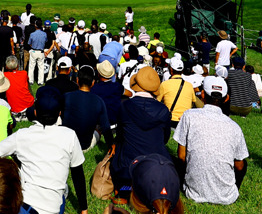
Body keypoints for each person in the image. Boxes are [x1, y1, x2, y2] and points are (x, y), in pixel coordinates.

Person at [0, 85, 91, 214]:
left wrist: (13, 165)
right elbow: (78, 176)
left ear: (36, 112)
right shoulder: (69, 136)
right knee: (64, 190)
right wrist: (84, 211)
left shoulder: (22, 135)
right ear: (59, 113)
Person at [173, 76, 248, 205]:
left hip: (193, 193)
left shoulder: (189, 116)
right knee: (243, 162)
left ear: (202, 94)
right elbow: (239, 166)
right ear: (226, 98)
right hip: (227, 197)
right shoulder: (235, 127)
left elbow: (181, 156)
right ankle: (232, 190)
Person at [112, 67, 172, 200]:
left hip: (128, 167)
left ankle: (124, 190)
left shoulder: (125, 106)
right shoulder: (163, 110)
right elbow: (165, 139)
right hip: (157, 166)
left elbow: (121, 135)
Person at [63, 65, 114, 151]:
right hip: (84, 145)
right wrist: (111, 146)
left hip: (65, 142)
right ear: (93, 82)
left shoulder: (66, 96)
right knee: (97, 132)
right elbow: (106, 128)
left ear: (77, 80)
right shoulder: (99, 101)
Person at [157, 59, 194, 126]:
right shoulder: (189, 85)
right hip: (184, 120)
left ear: (171, 70)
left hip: (170, 119)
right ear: (182, 71)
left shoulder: (165, 84)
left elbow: (157, 101)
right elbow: (193, 101)